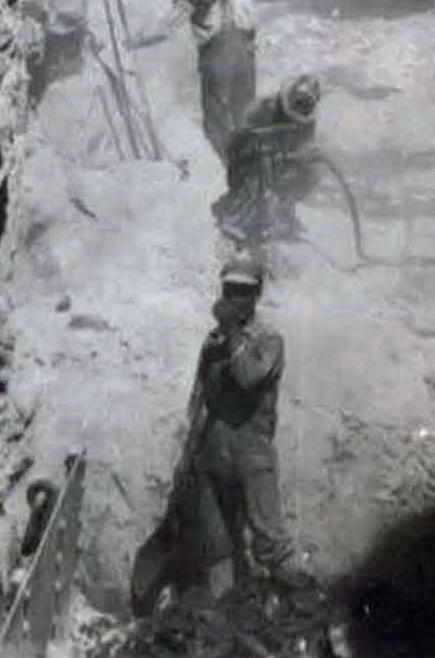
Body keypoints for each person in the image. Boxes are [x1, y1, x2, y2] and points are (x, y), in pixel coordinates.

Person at [191, 259, 306, 593]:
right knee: (217, 550)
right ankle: (222, 624)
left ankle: (312, 611)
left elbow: (246, 378)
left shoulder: (267, 340)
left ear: (256, 295)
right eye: (228, 290)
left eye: (242, 292)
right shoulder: (215, 341)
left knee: (273, 545)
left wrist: (232, 336)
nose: (233, 298)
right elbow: (200, 397)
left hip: (251, 449)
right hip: (213, 449)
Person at [174, 0, 257, 161]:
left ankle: (229, 170)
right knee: (245, 117)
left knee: (216, 124)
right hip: (246, 55)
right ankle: (253, 170)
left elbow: (169, 24)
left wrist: (135, 41)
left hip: (219, 55)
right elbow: (252, 23)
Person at [212, 76, 322, 246]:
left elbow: (303, 147)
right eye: (298, 103)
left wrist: (304, 156)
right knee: (261, 174)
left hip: (280, 162)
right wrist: (266, 149)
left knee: (310, 173)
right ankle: (237, 217)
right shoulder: (263, 108)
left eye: (305, 106)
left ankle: (284, 213)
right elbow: (239, 141)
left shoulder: (307, 123)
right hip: (248, 161)